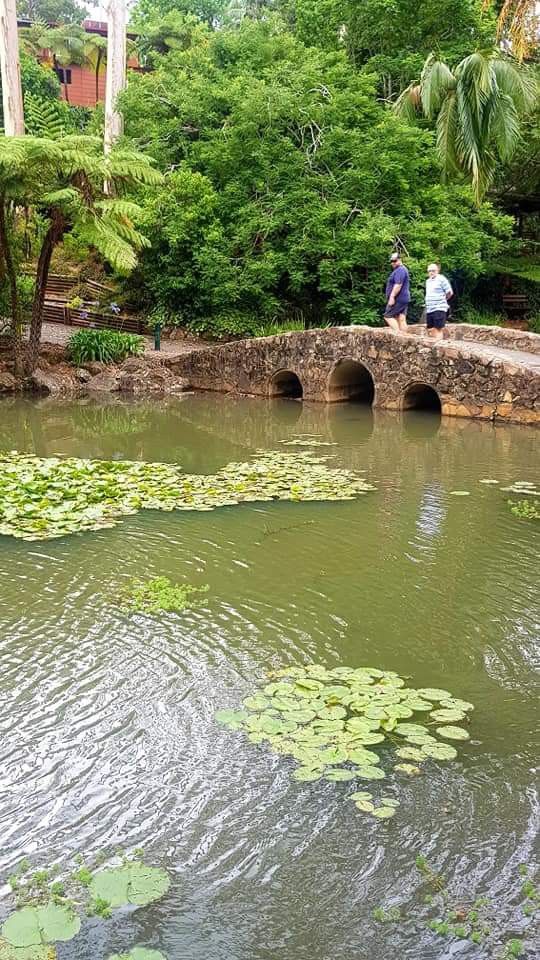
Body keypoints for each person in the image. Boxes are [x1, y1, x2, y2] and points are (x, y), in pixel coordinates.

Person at [425, 263, 453, 340]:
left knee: (438, 328)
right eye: (429, 271)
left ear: (437, 271)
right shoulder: (428, 281)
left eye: (433, 271)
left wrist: (443, 300)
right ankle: (434, 344)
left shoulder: (441, 279)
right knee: (431, 329)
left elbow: (449, 292)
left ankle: (438, 346)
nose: (431, 272)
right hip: (430, 309)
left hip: (439, 308)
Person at [384, 252, 410, 333]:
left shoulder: (400, 270)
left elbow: (398, 285)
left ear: (399, 260)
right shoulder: (402, 269)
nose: (393, 263)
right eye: (391, 261)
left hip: (398, 298)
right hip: (404, 298)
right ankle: (405, 338)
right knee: (401, 318)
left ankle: (398, 334)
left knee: (387, 316)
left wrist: (392, 297)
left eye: (394, 261)